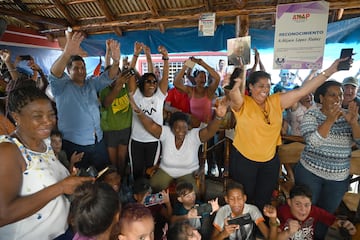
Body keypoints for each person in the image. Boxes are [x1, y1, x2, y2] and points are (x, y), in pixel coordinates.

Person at [227, 58, 345, 212]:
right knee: (244, 199)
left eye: (268, 86)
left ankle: (259, 230)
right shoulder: (243, 104)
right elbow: (234, 95)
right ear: (250, 86)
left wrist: (331, 70)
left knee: (264, 199)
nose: (265, 89)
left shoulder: (275, 101)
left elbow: (302, 91)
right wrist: (234, 84)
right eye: (260, 86)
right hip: (244, 161)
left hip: (269, 161)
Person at [0, 85, 92, 239]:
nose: (48, 121)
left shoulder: (46, 143)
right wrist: (61, 187)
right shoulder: (8, 152)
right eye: (37, 116)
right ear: (16, 117)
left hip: (61, 232)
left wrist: (72, 183)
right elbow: (3, 215)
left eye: (51, 114)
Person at [294, 80, 360, 238]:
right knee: (305, 211)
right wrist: (330, 119)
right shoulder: (312, 114)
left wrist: (354, 123)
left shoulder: (348, 116)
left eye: (340, 95)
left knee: (326, 216)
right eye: (333, 95)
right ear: (321, 98)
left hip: (337, 179)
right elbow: (313, 142)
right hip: (310, 173)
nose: (338, 98)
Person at [49, 31, 120, 171]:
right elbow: (54, 73)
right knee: (81, 181)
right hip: (75, 144)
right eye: (76, 68)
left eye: (82, 67)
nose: (81, 71)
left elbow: (109, 76)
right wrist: (66, 53)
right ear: (68, 71)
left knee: (102, 174)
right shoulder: (61, 87)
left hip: (97, 141)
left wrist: (116, 62)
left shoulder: (91, 84)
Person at [130, 92, 228, 192]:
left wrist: (218, 117)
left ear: (188, 127)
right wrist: (138, 111)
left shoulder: (194, 135)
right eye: (177, 128)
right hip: (166, 171)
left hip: (188, 172)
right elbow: (151, 125)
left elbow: (209, 131)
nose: (181, 131)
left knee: (191, 192)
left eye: (184, 127)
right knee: (152, 187)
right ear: (172, 128)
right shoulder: (166, 132)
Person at [127, 42, 169, 180]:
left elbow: (165, 77)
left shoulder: (159, 97)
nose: (152, 84)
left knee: (151, 173)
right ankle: (137, 198)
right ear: (142, 83)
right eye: (148, 81)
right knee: (137, 173)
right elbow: (131, 73)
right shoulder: (136, 94)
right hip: (136, 141)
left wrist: (166, 58)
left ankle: (149, 200)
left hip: (153, 141)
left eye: (154, 81)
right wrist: (136, 54)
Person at [277, 184, 357, 240]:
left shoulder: (314, 211)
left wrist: (345, 225)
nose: (303, 209)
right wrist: (288, 232)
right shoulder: (281, 212)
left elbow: (332, 221)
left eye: (307, 205)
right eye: (298, 204)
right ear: (289, 202)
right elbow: (273, 237)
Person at [211, 182, 277, 240]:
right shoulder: (222, 212)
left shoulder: (252, 210)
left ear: (244, 198)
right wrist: (223, 234)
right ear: (226, 199)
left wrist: (273, 218)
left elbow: (270, 238)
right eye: (231, 199)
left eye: (239, 198)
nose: (236, 202)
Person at [100, 66, 133, 177]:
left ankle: (122, 182)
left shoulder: (126, 88)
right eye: (112, 75)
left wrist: (129, 69)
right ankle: (115, 184)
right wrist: (118, 84)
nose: (115, 77)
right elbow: (106, 103)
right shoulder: (103, 90)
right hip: (110, 130)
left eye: (117, 74)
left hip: (125, 129)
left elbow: (134, 79)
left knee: (122, 159)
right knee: (112, 162)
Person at [174, 57, 220, 125]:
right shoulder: (191, 90)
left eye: (205, 78)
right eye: (201, 77)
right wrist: (186, 66)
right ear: (195, 79)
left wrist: (202, 63)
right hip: (193, 127)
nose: (203, 80)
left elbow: (217, 78)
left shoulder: (209, 91)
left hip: (206, 128)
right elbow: (176, 83)